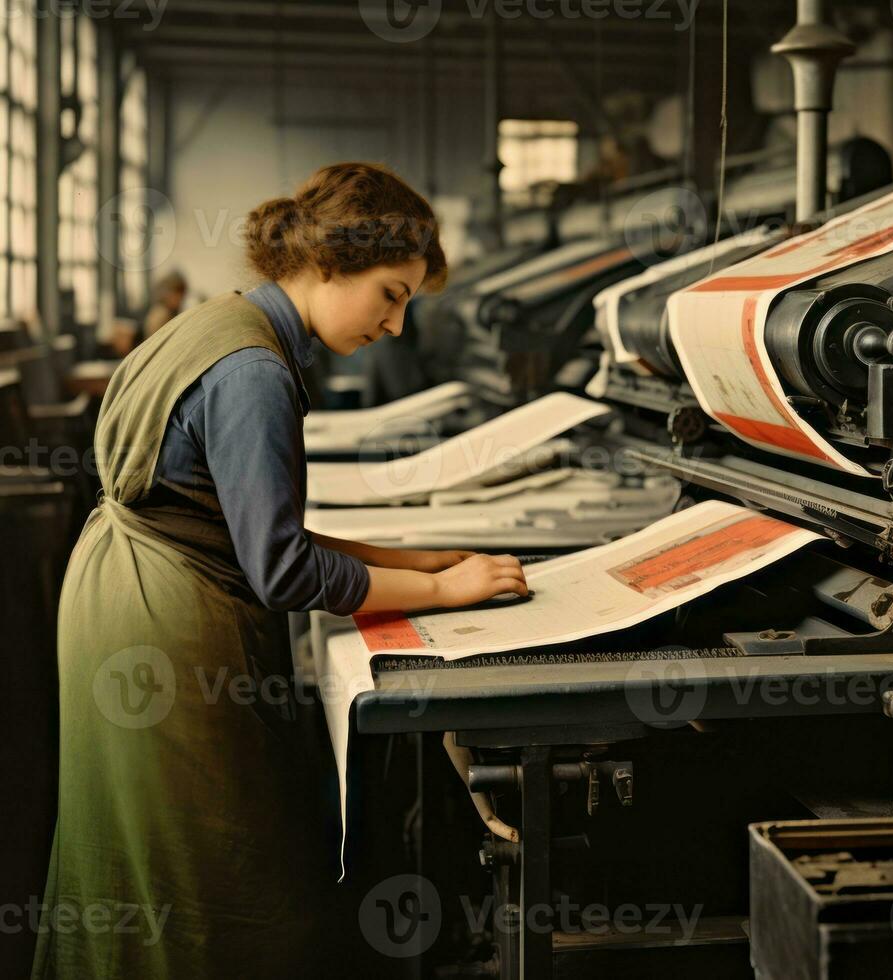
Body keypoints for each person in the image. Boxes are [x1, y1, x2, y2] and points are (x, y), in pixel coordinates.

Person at [31, 162, 528, 979]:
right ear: (330, 263)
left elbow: (247, 521)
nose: (396, 326)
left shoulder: (225, 324)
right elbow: (284, 570)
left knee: (146, 850)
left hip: (124, 589)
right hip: (165, 618)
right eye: (391, 295)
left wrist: (413, 558)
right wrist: (443, 591)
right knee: (213, 863)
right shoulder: (256, 372)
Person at [143, 270, 188, 338]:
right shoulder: (161, 314)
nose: (180, 299)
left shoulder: (170, 312)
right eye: (177, 295)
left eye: (181, 296)